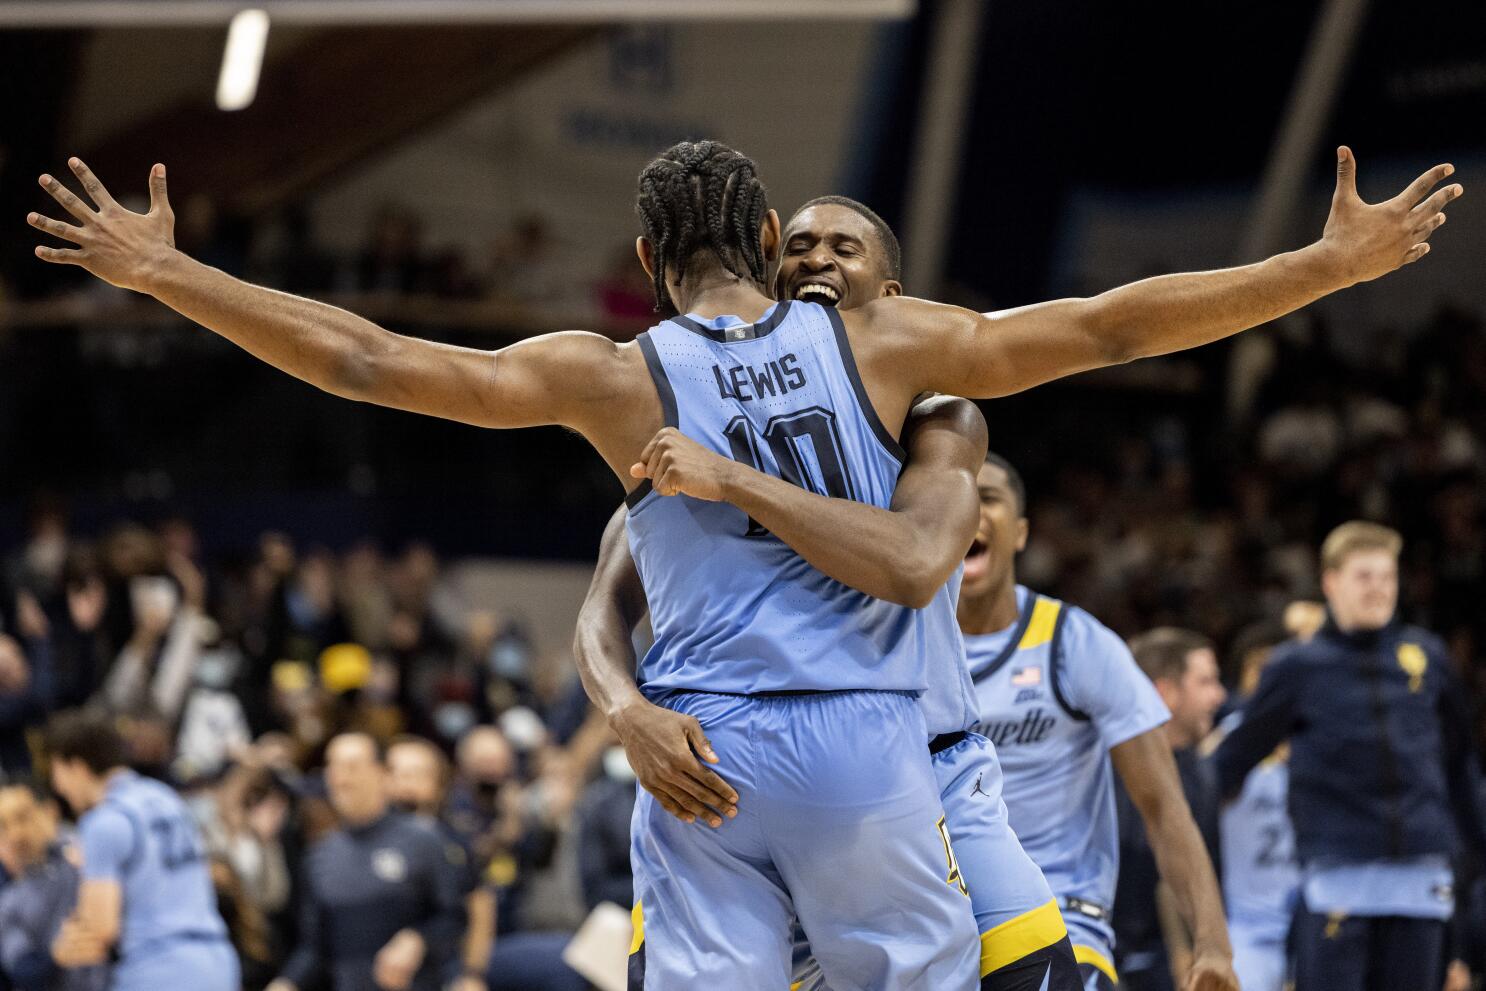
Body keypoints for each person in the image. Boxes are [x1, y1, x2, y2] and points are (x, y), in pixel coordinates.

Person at [28, 140, 1458, 989]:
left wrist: (171, 275)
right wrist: (1320, 271)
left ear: (648, 259)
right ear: (772, 246)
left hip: (696, 753)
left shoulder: (608, 371)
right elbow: (1106, 328)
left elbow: (364, 356)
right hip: (865, 751)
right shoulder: (882, 345)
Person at [573, 197, 1087, 990]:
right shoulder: (700, 428)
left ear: (893, 300)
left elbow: (914, 564)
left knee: (1039, 972)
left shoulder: (942, 422)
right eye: (802, 245)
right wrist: (623, 706)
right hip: (756, 769)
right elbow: (602, 606)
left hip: (928, 762)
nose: (817, 258)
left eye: (845, 248)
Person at [1213, 522, 1486, 991]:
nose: (1379, 589)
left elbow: (1460, 764)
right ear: (1330, 582)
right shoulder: (1296, 667)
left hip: (1422, 879)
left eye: (1388, 577)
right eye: (1364, 576)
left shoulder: (1426, 655)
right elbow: (1231, 761)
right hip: (1338, 877)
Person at [44, 708, 237, 991]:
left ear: (77, 766)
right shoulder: (166, 797)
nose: (58, 787)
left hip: (157, 969)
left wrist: (60, 949)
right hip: (217, 961)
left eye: (57, 772)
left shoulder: (102, 822)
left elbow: (99, 930)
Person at [267, 732, 464, 991]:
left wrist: (418, 939)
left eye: (352, 767)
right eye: (332, 767)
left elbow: (455, 917)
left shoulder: (423, 840)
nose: (341, 778)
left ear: (382, 773)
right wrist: (286, 982)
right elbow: (315, 947)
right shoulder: (319, 858)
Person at [1116, 630, 1229, 991]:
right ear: (1164, 693)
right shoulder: (1108, 771)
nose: (1220, 695)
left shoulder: (1201, 768)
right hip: (1115, 956)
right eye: (1206, 682)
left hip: (1174, 960)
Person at [1208, 623, 1299, 991]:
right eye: (1256, 668)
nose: (1266, 680)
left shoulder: (1322, 736)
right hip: (1245, 928)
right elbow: (1195, 800)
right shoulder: (1226, 741)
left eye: (1275, 669)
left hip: (1313, 918)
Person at [386, 735, 494, 991]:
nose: (406, 785)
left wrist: (472, 974)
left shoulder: (454, 842)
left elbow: (480, 908)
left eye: (417, 774)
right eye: (398, 774)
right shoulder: (360, 841)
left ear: (439, 783)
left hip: (443, 966)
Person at [0, 780, 106, 991]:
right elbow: (22, 969)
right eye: (3, 826)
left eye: (22, 817)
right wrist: (57, 957)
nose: (15, 834)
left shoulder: (85, 853)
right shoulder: (8, 902)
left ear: (49, 811)